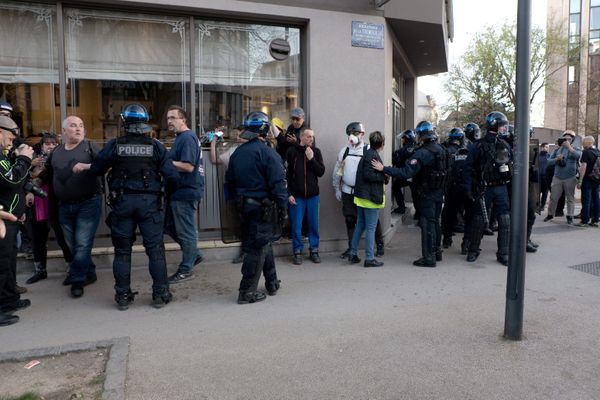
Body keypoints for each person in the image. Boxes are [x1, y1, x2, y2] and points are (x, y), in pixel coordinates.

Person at [74, 104, 179, 310]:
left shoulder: (115, 145)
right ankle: (160, 294)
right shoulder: (156, 146)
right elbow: (172, 177)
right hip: (150, 204)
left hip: (122, 203)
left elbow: (97, 169)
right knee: (155, 250)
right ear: (144, 123)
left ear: (125, 122)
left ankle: (122, 296)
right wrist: (164, 197)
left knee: (122, 251)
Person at [225, 111, 287, 304]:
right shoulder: (268, 153)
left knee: (263, 242)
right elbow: (279, 184)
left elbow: (229, 183)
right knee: (256, 248)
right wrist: (283, 208)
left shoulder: (238, 153)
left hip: (244, 207)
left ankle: (272, 282)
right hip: (263, 208)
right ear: (265, 129)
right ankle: (246, 291)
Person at [41, 116, 102, 297]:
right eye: (73, 126)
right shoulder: (57, 151)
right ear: (64, 131)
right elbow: (48, 173)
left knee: (82, 244)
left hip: (88, 202)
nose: (78, 129)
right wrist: (35, 182)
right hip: (64, 205)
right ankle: (89, 272)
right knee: (73, 244)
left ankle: (77, 280)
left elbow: (105, 166)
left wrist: (86, 166)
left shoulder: (90, 147)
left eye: (81, 126)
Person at [372, 121, 448, 267]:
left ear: (420, 135)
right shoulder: (441, 149)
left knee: (427, 224)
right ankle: (437, 252)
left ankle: (428, 258)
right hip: (439, 192)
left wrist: (384, 169)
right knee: (435, 222)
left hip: (427, 194)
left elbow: (406, 172)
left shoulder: (422, 153)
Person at [462, 112, 513, 265]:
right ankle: (473, 249)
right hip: (484, 187)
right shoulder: (477, 145)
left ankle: (503, 252)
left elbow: (510, 165)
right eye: (501, 125)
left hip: (501, 187)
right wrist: (468, 188)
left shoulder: (504, 144)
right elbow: (468, 168)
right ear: (494, 125)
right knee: (478, 220)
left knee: (504, 219)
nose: (504, 128)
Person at [164, 105, 205, 284]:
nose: (170, 121)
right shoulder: (182, 138)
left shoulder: (187, 138)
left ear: (183, 119)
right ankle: (193, 253)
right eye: (168, 118)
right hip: (178, 192)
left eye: (173, 117)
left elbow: (188, 166)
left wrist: (165, 161)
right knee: (168, 226)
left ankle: (186, 269)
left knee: (187, 232)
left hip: (185, 192)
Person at [25, 132, 73, 284]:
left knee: (62, 238)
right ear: (42, 146)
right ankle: (40, 270)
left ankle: (71, 269)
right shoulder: (31, 159)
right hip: (37, 203)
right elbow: (22, 179)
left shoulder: (60, 159)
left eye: (54, 144)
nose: (51, 146)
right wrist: (30, 167)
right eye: (47, 144)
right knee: (38, 238)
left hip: (55, 202)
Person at [332, 122, 385, 259]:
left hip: (365, 192)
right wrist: (337, 188)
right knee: (350, 219)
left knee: (372, 220)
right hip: (348, 191)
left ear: (362, 134)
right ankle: (352, 249)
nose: (354, 136)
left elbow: (378, 169)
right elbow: (338, 171)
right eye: (352, 133)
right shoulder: (344, 151)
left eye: (357, 133)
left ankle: (379, 245)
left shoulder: (368, 150)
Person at [0, 115, 33, 326]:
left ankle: (8, 300)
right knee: (1, 265)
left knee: (9, 262)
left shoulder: (3, 155)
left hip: (11, 217)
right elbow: (11, 181)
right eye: (10, 137)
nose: (12, 141)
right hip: (3, 219)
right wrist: (24, 159)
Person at [286, 128, 325, 265]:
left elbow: (321, 172)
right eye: (308, 136)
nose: (311, 139)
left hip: (313, 196)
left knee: (313, 225)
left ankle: (314, 250)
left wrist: (311, 159)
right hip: (297, 197)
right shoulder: (292, 152)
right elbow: (288, 175)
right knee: (296, 226)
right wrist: (289, 194)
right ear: (301, 137)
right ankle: (297, 251)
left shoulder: (316, 152)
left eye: (312, 137)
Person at [347, 131, 386, 268]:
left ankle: (352, 253)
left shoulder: (367, 154)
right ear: (382, 144)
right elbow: (369, 175)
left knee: (361, 225)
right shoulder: (373, 156)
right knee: (371, 228)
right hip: (370, 198)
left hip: (362, 197)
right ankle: (369, 258)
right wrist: (384, 176)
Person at [544, 130, 581, 224]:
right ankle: (550, 214)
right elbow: (548, 162)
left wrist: (569, 147)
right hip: (557, 177)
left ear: (572, 140)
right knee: (553, 197)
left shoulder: (576, 148)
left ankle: (570, 216)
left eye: (569, 139)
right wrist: (557, 158)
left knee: (570, 198)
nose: (567, 140)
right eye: (565, 138)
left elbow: (577, 156)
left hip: (570, 177)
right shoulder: (558, 149)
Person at [391, 129, 418, 215]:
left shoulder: (406, 149)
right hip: (416, 175)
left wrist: (395, 154)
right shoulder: (417, 147)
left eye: (403, 138)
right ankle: (418, 214)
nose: (402, 140)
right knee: (415, 194)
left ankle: (401, 208)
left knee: (395, 186)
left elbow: (397, 161)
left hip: (407, 175)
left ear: (407, 139)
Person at [576, 136, 600, 227]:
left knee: (586, 200)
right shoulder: (597, 151)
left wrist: (580, 181)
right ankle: (595, 220)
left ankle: (584, 221)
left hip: (587, 180)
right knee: (596, 200)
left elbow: (583, 167)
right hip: (597, 179)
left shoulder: (586, 152)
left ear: (585, 143)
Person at [539, 142, 550, 210]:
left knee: (545, 192)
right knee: (537, 192)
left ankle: (542, 206)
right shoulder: (537, 156)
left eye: (548, 147)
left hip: (546, 177)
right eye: (546, 147)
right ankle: (537, 205)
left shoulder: (549, 156)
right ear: (542, 147)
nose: (547, 149)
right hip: (538, 176)